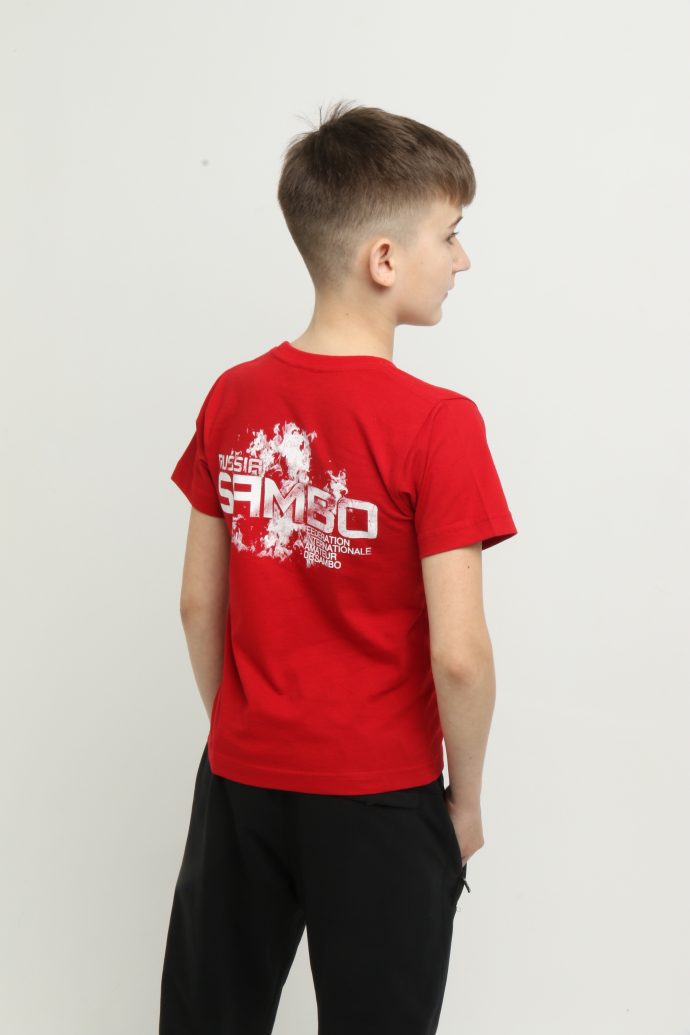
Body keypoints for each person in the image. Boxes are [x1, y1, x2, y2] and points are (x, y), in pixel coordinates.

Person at [159, 100, 518, 1035]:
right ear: (384, 259)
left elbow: (198, 603)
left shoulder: (233, 397)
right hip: (380, 795)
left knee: (209, 1018)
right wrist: (465, 799)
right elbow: (461, 654)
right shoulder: (439, 425)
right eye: (451, 233)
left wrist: (244, 729)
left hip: (241, 782)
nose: (464, 259)